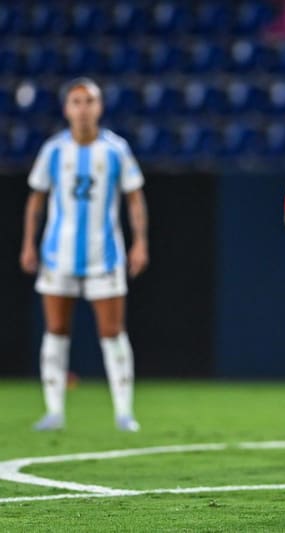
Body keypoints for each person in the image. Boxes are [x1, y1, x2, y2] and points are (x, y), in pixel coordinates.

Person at [19, 77, 148, 432]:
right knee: (56, 329)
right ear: (66, 109)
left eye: (89, 101)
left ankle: (124, 412)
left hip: (103, 255)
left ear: (99, 107)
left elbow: (134, 197)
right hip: (57, 255)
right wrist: (29, 243)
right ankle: (54, 411)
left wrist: (140, 242)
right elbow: (36, 198)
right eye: (76, 102)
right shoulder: (54, 150)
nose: (83, 108)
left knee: (112, 331)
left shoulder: (116, 150)